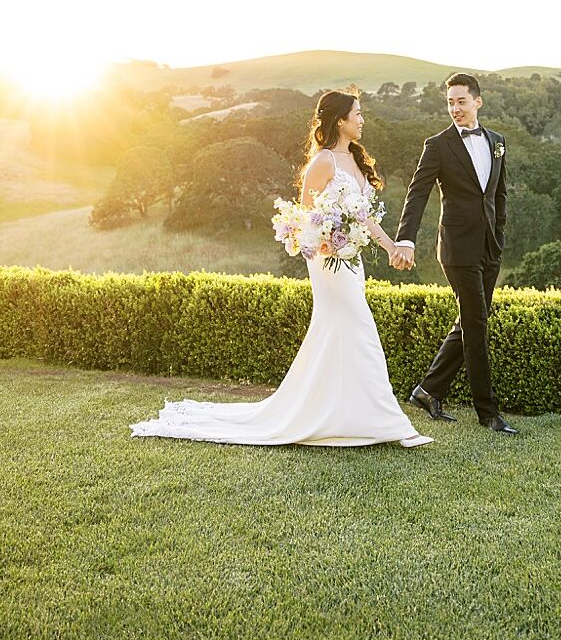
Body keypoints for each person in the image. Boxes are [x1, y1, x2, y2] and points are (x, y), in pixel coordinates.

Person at [130, 90, 433, 448]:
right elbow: (305, 218)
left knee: (340, 333)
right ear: (340, 120)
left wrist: (392, 246)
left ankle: (345, 416)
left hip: (351, 261)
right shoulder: (323, 162)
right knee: (361, 328)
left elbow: (364, 218)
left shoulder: (355, 158)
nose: (362, 119)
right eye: (358, 113)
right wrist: (326, 239)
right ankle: (391, 424)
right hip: (328, 263)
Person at [394, 72, 519, 434]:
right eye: (450, 102)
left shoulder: (497, 141)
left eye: (461, 101)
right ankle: (488, 413)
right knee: (476, 323)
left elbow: (499, 195)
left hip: (489, 248)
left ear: (478, 101)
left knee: (469, 321)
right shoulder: (437, 145)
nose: (455, 109)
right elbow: (417, 194)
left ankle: (428, 390)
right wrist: (406, 239)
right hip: (457, 249)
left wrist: (499, 236)